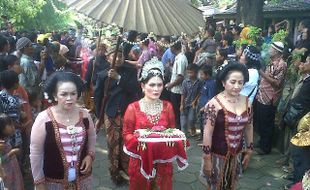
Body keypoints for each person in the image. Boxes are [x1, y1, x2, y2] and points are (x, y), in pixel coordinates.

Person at [30, 71, 96, 189]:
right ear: (55, 95)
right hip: (54, 181)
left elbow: (92, 136)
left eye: (73, 94)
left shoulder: (85, 114)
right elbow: (36, 153)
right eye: (64, 94)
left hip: (82, 179)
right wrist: (39, 182)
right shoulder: (43, 119)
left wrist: (90, 155)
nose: (69, 98)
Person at [123, 57, 176, 190]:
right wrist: (142, 140)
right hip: (140, 160)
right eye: (152, 85)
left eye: (159, 85)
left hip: (162, 161)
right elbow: (126, 135)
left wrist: (170, 140)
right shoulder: (133, 108)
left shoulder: (168, 107)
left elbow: (172, 131)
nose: (156, 89)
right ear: (142, 86)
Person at [200, 62, 253, 190]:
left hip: (237, 154)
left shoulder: (247, 101)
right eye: (233, 82)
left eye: (240, 82)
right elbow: (207, 133)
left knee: (232, 185)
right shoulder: (214, 104)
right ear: (224, 83)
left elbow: (249, 126)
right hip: (217, 155)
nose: (237, 86)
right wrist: (207, 159)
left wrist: (250, 150)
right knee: (215, 185)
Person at [94, 42, 140, 184]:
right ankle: (115, 173)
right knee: (113, 144)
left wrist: (119, 78)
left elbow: (135, 91)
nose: (118, 58)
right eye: (114, 56)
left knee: (128, 143)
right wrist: (98, 116)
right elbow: (98, 96)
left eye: (120, 55)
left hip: (128, 114)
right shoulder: (102, 74)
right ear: (108, 58)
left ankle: (128, 171)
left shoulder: (131, 71)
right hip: (111, 113)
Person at [255, 41, 287, 155]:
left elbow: (277, 83)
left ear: (277, 51)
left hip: (269, 99)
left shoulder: (281, 65)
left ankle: (266, 148)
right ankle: (262, 142)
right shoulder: (271, 61)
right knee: (261, 121)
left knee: (267, 124)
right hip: (261, 96)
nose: (269, 50)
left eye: (271, 49)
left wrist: (262, 73)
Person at [165, 41, 188, 129]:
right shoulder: (178, 58)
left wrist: (171, 85)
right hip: (175, 89)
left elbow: (180, 77)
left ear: (173, 48)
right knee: (174, 111)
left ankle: (178, 129)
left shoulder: (181, 59)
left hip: (178, 90)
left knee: (176, 112)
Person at [0, 114, 24, 190]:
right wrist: (11, 153)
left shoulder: (7, 139)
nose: (13, 127)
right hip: (6, 173)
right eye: (10, 125)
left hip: (14, 170)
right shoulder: (1, 144)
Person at [180, 64, 201, 136]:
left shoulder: (199, 82)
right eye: (188, 72)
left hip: (193, 104)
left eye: (191, 72)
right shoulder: (185, 82)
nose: (189, 74)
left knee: (191, 119)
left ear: (196, 72)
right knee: (183, 120)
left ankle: (193, 128)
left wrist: (195, 101)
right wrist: (182, 104)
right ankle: (183, 135)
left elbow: (199, 93)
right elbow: (183, 93)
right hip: (185, 103)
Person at [196, 65, 216, 141]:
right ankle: (202, 136)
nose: (200, 76)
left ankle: (207, 140)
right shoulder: (205, 82)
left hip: (206, 108)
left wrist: (204, 107)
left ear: (207, 75)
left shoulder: (211, 84)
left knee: (206, 123)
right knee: (201, 122)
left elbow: (211, 98)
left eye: (202, 74)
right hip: (201, 105)